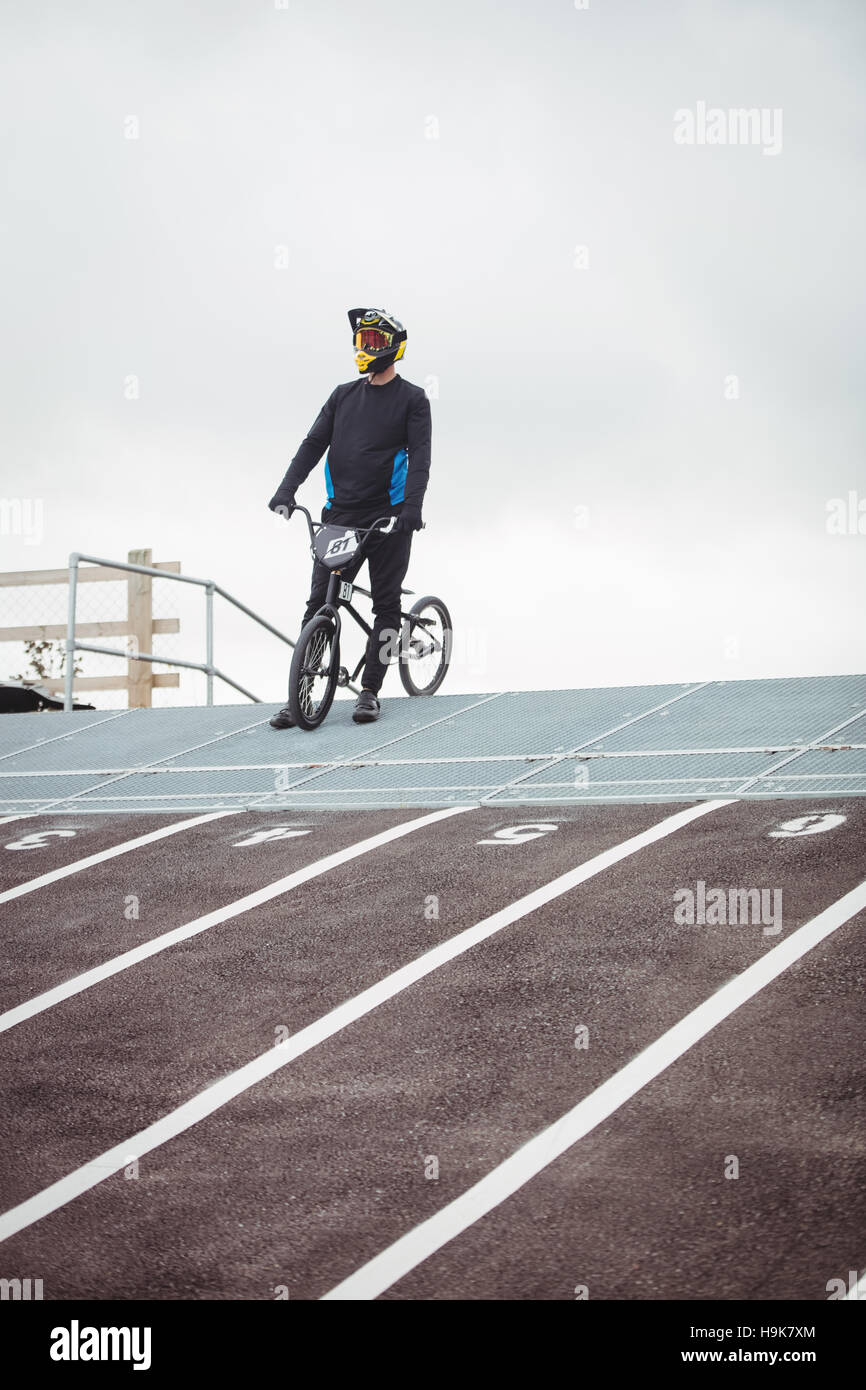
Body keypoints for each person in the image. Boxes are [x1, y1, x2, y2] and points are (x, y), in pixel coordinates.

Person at [267, 308, 431, 727]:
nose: (365, 349)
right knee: (319, 603)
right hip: (339, 517)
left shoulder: (413, 399)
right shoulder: (342, 396)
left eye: (374, 342)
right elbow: (312, 443)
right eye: (361, 342)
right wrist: (287, 490)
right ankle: (299, 696)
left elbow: (420, 461)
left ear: (394, 347)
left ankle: (371, 691)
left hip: (388, 519)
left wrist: (411, 510)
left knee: (385, 604)